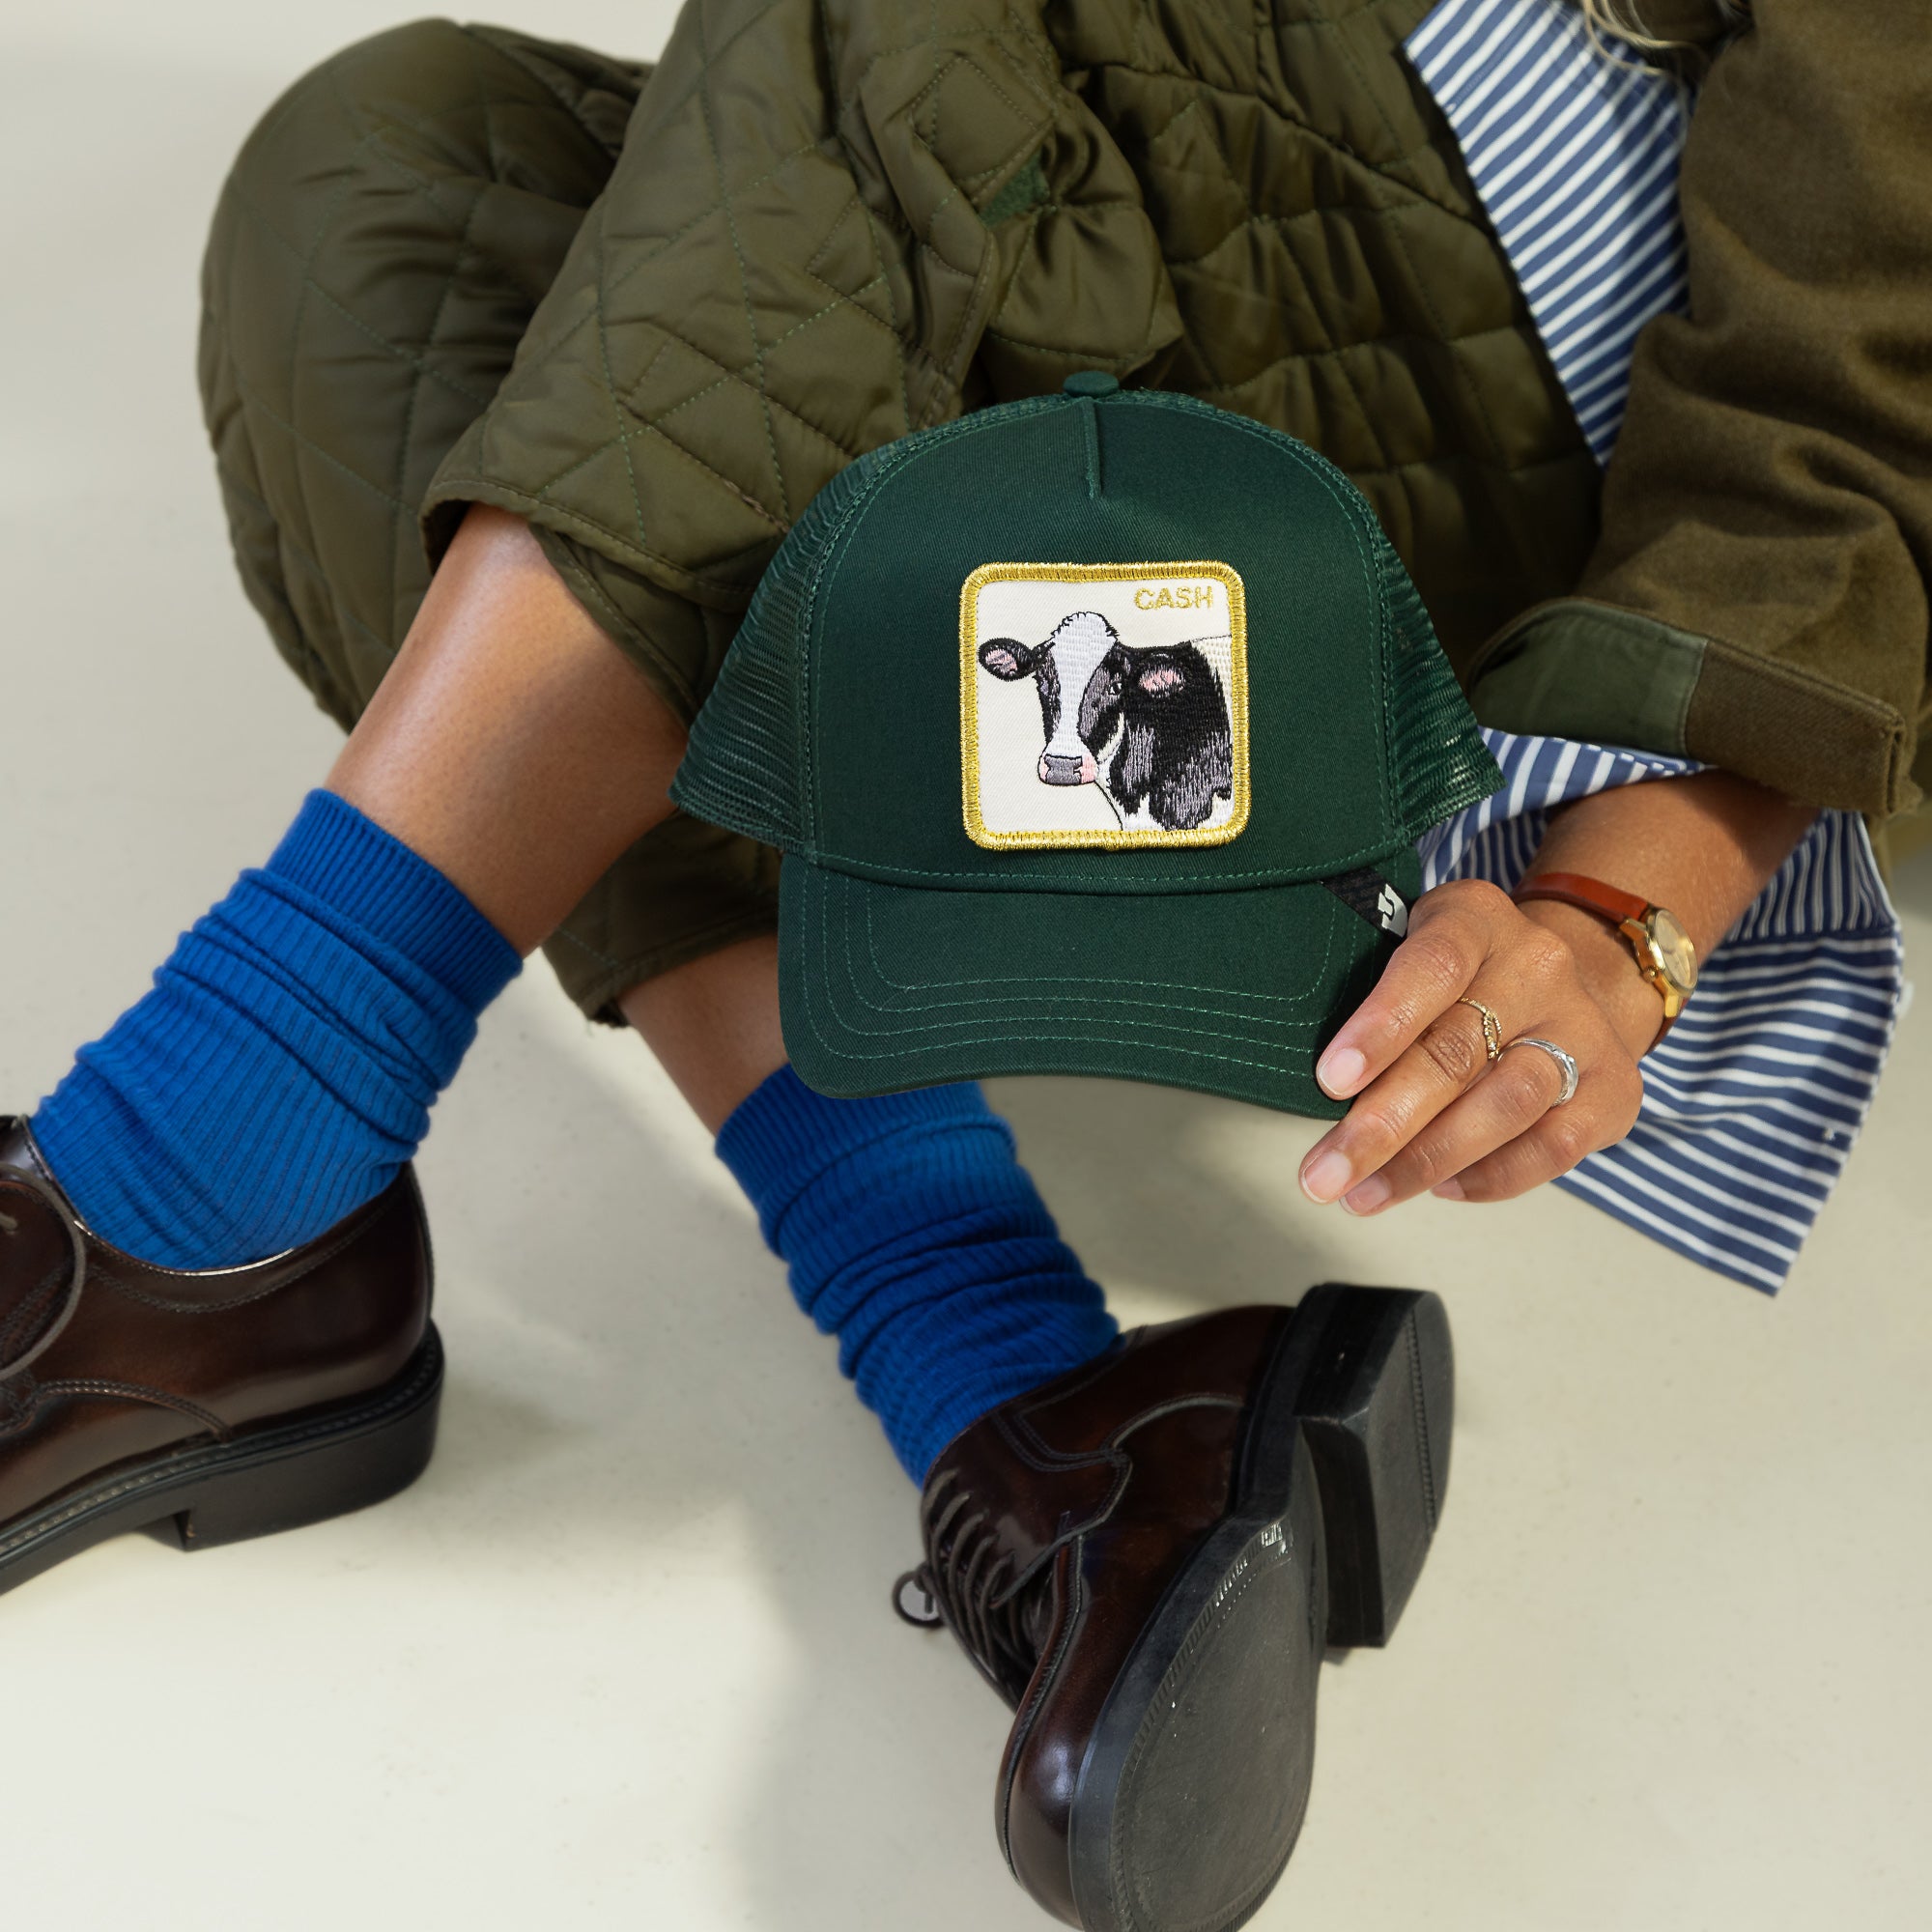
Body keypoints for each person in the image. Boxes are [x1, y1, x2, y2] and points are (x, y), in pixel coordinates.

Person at [1, 2, 1920, 1925]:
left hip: (1549, 461)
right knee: (389, 177)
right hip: (1206, 248)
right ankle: (1042, 1416)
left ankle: (194, 1181)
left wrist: (1618, 912)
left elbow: (1857, 374)